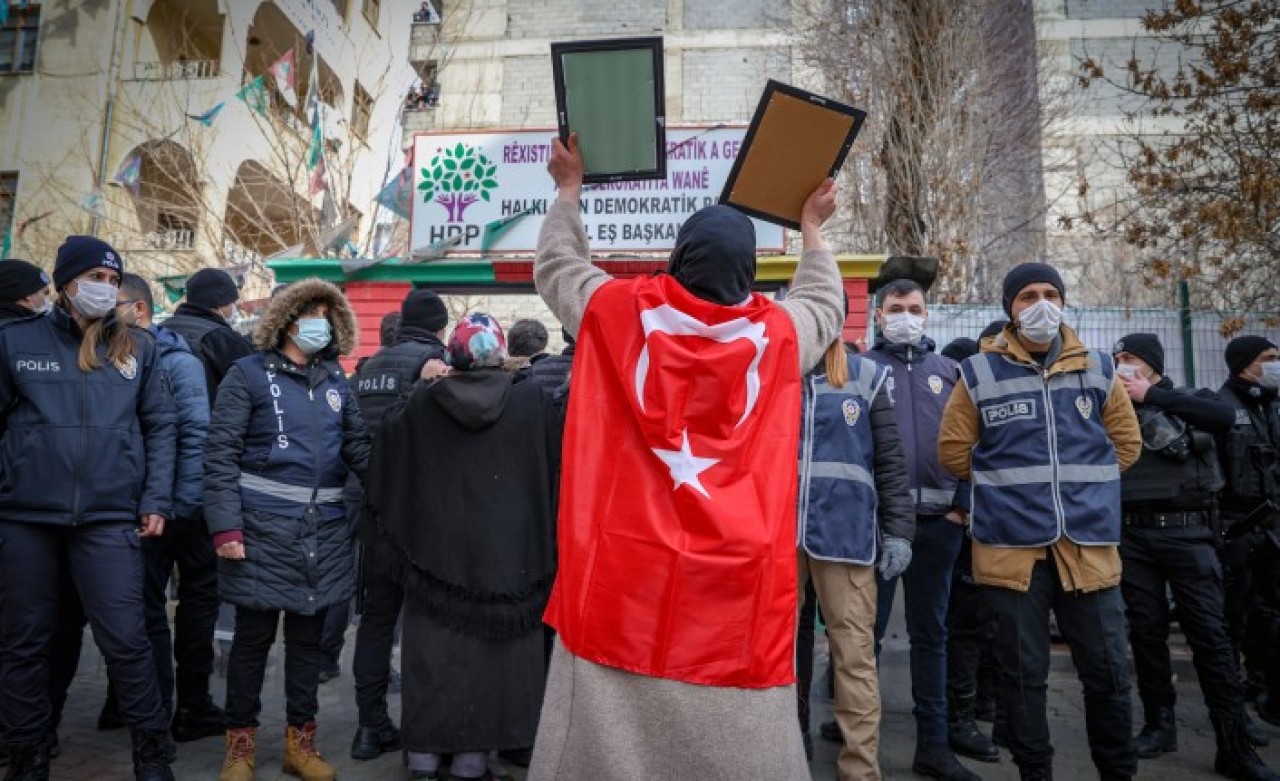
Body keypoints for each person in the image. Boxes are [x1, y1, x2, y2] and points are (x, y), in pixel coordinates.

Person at [527, 133, 845, 779]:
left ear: (678, 258)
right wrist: (813, 229)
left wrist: (568, 190)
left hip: (624, 583)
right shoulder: (778, 336)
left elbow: (557, 266)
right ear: (750, 272)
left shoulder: (615, 311)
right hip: (735, 595)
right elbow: (824, 304)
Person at [939, 262, 1141, 781]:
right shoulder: (978, 373)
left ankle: (1118, 772)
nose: (1041, 303)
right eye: (1027, 295)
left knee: (1109, 675)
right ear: (1010, 307)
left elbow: (1126, 444)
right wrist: (1014, 492)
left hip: (1088, 546)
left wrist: (1079, 490)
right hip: (1010, 549)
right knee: (1023, 677)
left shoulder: (1097, 368)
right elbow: (955, 451)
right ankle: (1036, 774)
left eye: (1050, 293)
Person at [0, 236, 177, 781]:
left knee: (126, 638)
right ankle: (28, 754)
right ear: (65, 281)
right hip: (26, 518)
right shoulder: (14, 340)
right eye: (93, 277)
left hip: (106, 517)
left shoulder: (137, 349)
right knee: (25, 642)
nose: (104, 287)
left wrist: (155, 498)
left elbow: (162, 425)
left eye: (111, 279)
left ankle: (152, 753)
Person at [370, 313, 562, 781]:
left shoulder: (421, 403)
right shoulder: (532, 403)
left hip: (432, 562)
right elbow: (556, 473)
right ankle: (473, 761)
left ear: (450, 356)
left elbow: (385, 457)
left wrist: (418, 384)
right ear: (501, 353)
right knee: (491, 662)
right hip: (509, 563)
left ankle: (424, 757)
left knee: (433, 654)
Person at [204, 278, 371, 781]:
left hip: (321, 535)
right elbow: (219, 454)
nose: (320, 324)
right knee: (251, 642)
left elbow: (357, 446)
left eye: (327, 314)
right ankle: (240, 747)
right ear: (286, 319)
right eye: (310, 313)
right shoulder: (247, 375)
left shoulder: (337, 380)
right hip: (258, 531)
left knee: (307, 643)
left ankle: (301, 745)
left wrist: (397, 480)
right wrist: (225, 526)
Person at [1111, 333, 1277, 780]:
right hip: (1134, 538)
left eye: (1131, 359)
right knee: (1146, 637)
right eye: (1118, 359)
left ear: (1152, 364)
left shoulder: (1192, 397)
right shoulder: (1114, 407)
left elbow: (1224, 417)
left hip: (1190, 536)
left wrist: (1153, 395)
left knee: (1211, 637)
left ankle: (1234, 746)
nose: (1123, 365)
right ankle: (1158, 727)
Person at [863, 279, 979, 780]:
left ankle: (933, 743)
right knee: (864, 635)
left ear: (927, 315)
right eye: (895, 308)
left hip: (939, 526)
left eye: (914, 308)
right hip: (877, 528)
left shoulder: (951, 373)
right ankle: (856, 732)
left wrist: (962, 506)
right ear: (878, 315)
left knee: (930, 634)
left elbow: (978, 443)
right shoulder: (862, 370)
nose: (905, 316)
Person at [96, 275, 216, 743]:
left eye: (116, 300)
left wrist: (177, 505)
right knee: (136, 612)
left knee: (191, 608)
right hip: (133, 508)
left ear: (140, 309)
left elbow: (194, 436)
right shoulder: (109, 354)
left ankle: (187, 706)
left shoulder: (177, 361)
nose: (107, 309)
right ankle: (132, 704)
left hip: (177, 511)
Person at [798, 334, 914, 779]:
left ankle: (860, 770)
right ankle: (782, 755)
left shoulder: (865, 375)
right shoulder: (770, 370)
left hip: (846, 538)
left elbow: (890, 462)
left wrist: (898, 531)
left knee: (854, 658)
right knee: (776, 656)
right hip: (777, 542)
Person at [348, 289, 450, 762]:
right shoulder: (438, 363)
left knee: (376, 619)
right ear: (440, 327)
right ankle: (424, 734)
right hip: (422, 514)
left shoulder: (370, 366)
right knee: (426, 622)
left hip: (373, 512)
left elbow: (350, 437)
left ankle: (369, 728)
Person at [938, 330, 1002, 761]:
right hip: (968, 522)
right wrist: (963, 503)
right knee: (968, 621)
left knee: (999, 624)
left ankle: (989, 703)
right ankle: (960, 713)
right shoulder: (963, 383)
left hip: (1011, 525)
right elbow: (958, 454)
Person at [1216, 336, 1280, 729]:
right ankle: (1232, 697)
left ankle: (1265, 689)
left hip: (1274, 526)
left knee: (1270, 612)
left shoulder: (1274, 405)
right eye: (1269, 359)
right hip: (1235, 527)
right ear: (1244, 364)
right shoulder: (1221, 408)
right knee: (1231, 615)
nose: (1275, 364)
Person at [164, 267, 254, 406]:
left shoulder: (163, 328)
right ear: (220, 303)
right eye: (232, 302)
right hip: (205, 418)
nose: (234, 308)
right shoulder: (219, 336)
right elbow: (249, 380)